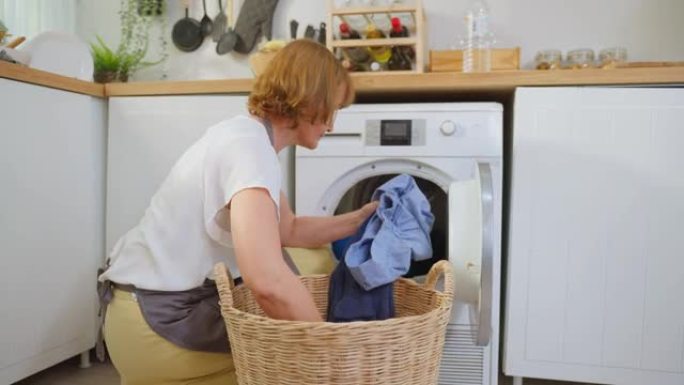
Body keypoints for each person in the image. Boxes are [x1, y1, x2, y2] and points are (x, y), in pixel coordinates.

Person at [97, 39, 378, 385]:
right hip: (157, 325)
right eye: (332, 110)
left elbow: (288, 229)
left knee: (309, 263)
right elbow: (268, 284)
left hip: (135, 313)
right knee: (292, 359)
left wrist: (360, 218)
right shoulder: (249, 151)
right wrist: (330, 353)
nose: (331, 125)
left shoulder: (248, 137)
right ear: (311, 101)